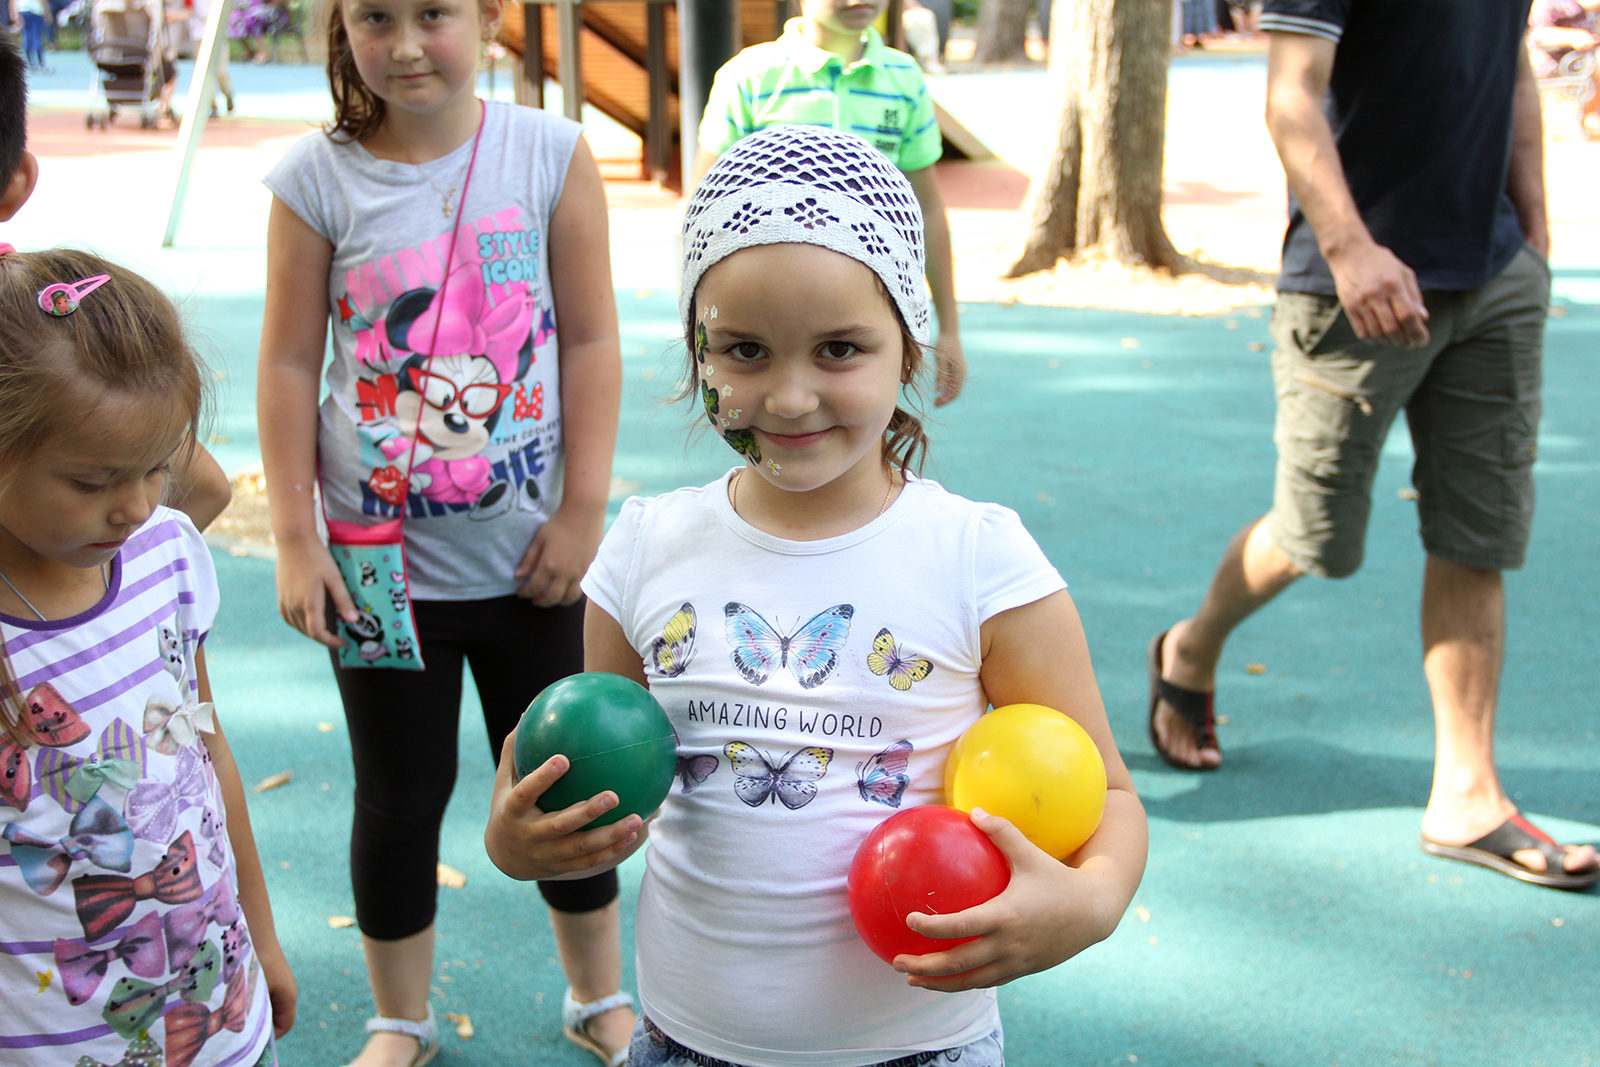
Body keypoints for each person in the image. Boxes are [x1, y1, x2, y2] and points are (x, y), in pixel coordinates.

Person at [485, 124, 1149, 1066]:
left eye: (840, 349)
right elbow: (601, 775)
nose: (790, 398)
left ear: (909, 350)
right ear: (698, 356)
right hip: (684, 1043)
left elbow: (1110, 794)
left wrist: (1092, 902)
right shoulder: (642, 550)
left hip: (921, 1047)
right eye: (745, 352)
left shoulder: (978, 557)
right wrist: (517, 839)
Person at [1147, 0, 1600, 891]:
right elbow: (1292, 97)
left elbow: (1507, 69)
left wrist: (1535, 235)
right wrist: (1352, 252)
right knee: (1314, 537)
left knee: (1479, 531)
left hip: (1493, 275)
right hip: (1352, 285)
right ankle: (1188, 650)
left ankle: (1468, 795)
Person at [255, 0, 632, 1063]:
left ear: (487, 18)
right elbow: (287, 362)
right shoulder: (314, 181)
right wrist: (295, 536)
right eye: (376, 16)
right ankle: (400, 1017)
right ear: (342, 23)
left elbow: (593, 336)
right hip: (377, 576)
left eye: (435, 12)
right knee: (400, 793)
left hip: (530, 565)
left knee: (567, 779)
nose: (408, 43)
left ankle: (597, 993)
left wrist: (581, 510)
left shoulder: (549, 154)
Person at [0, 244, 297, 1065]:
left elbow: (205, 748)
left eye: (157, 466)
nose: (134, 505)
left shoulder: (166, 552)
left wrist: (261, 936)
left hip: (223, 1019)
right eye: (92, 482)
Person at [1, 32, 234, 528]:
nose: (132, 510)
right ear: (18, 182)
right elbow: (206, 490)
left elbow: (203, 490)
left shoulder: (28, 333)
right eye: (89, 482)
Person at [692, 0, 967, 408]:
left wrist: (950, 328)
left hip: (867, 305)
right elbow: (703, 209)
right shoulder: (749, 77)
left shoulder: (904, 79)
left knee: (857, 422)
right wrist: (699, 324)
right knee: (772, 415)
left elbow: (925, 210)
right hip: (770, 306)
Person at [1528, 0, 1600, 138]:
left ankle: (1587, 115)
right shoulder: (1549, 3)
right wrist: (1573, 37)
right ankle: (1584, 116)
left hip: (1585, 61)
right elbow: (1539, 35)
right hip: (1556, 62)